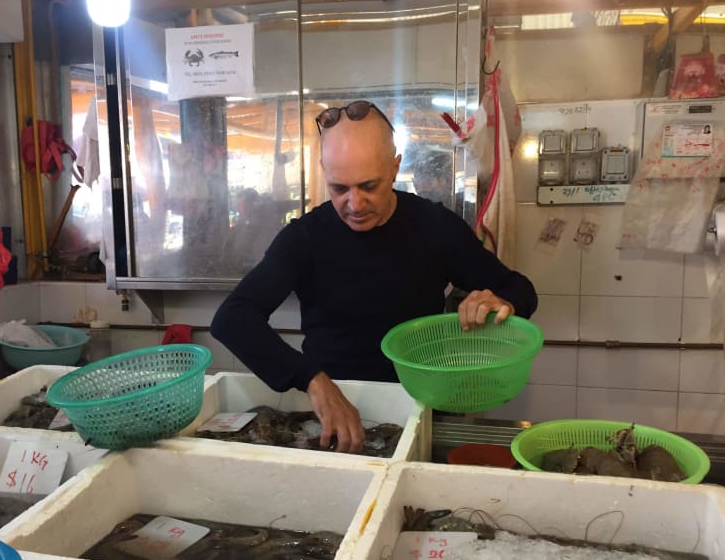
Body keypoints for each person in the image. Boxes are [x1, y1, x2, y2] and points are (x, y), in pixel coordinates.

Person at [211, 100, 537, 454]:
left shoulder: (434, 227)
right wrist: (311, 380)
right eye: (339, 188)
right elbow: (233, 318)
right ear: (323, 171)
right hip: (333, 409)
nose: (355, 203)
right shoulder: (305, 237)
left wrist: (502, 301)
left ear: (394, 168)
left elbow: (520, 288)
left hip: (421, 403)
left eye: (369, 185)